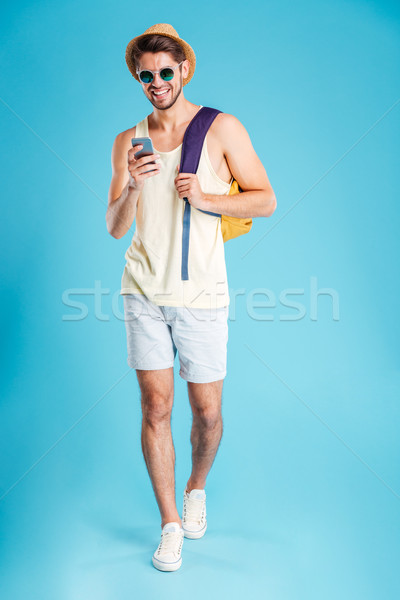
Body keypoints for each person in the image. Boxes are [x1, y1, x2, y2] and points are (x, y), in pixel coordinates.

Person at [106, 23, 277, 572]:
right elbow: (114, 228)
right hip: (142, 290)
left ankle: (196, 487)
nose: (156, 82)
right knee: (155, 407)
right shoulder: (127, 140)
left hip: (202, 293)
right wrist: (131, 184)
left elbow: (266, 199)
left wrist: (205, 198)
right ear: (139, 79)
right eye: (145, 75)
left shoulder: (220, 128)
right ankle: (170, 524)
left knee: (207, 414)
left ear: (184, 70)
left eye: (165, 71)